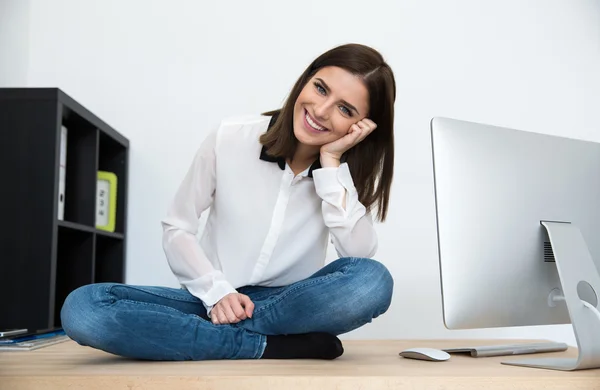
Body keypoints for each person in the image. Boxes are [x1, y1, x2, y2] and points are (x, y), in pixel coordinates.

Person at [60, 43, 396, 361]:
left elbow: (358, 256)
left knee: (374, 281)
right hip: (210, 300)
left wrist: (331, 166)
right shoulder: (231, 136)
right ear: (305, 80)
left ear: (361, 127)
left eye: (344, 109)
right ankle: (268, 348)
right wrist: (217, 292)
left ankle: (219, 340)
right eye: (321, 89)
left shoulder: (339, 177)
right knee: (84, 307)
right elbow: (178, 226)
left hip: (286, 308)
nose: (320, 111)